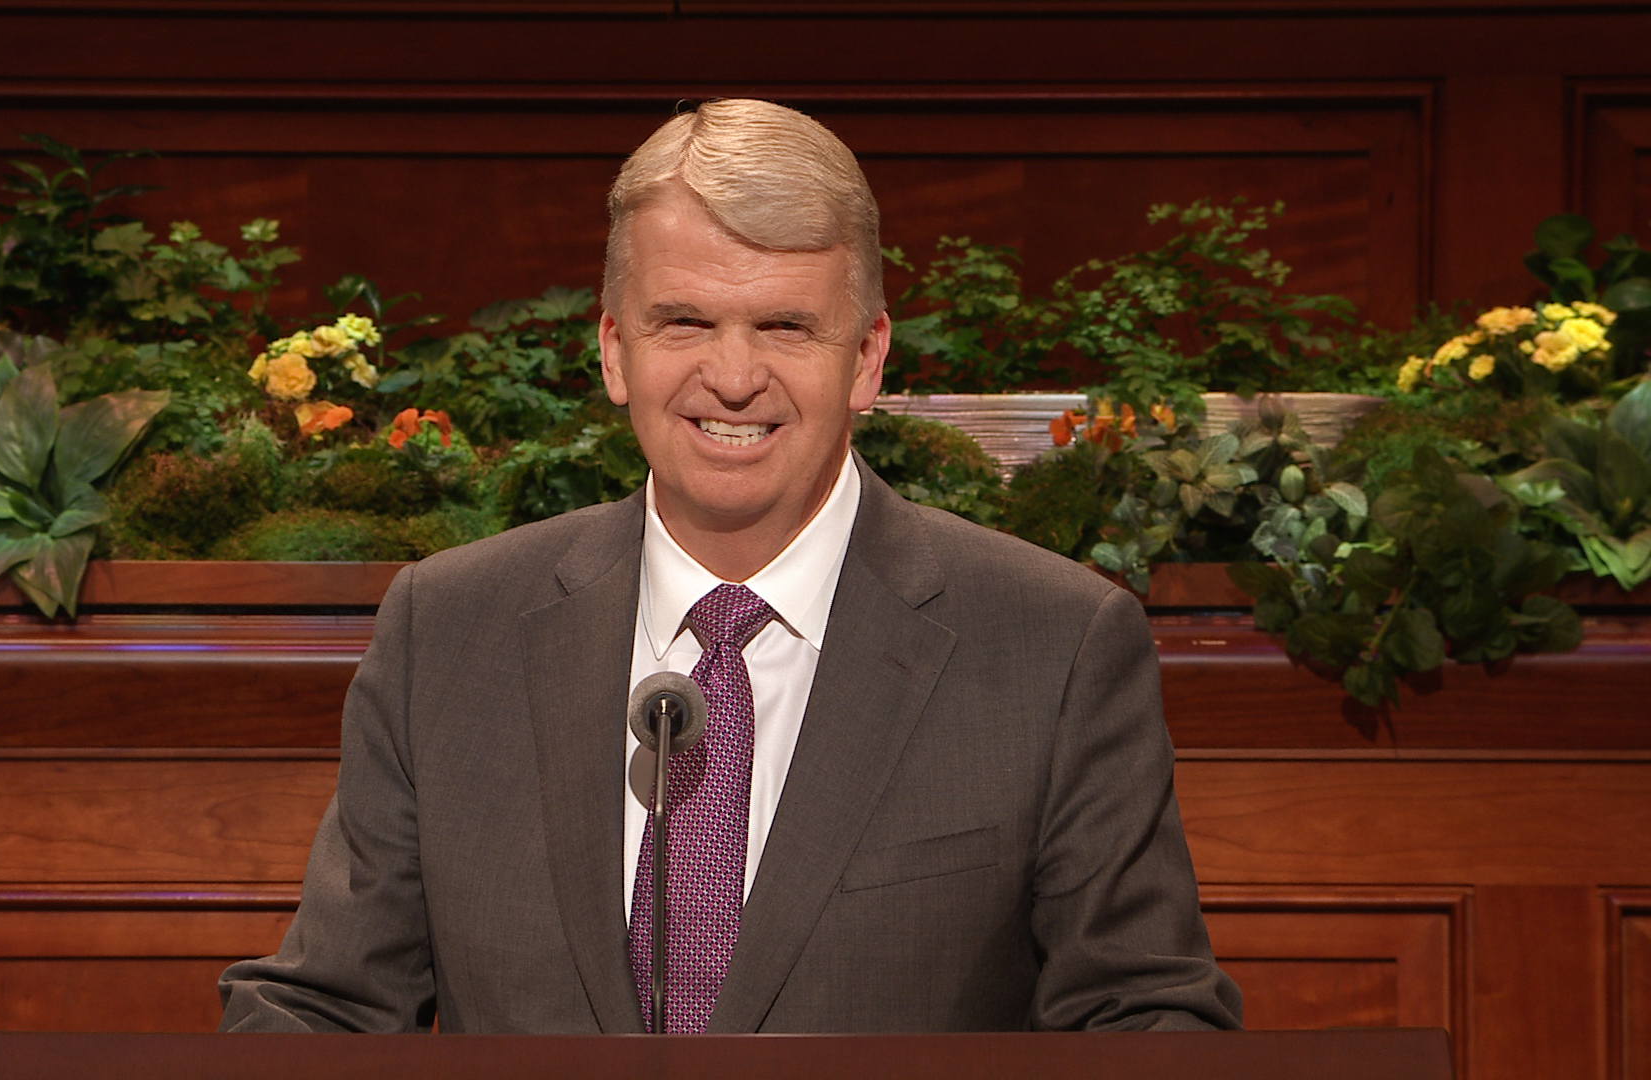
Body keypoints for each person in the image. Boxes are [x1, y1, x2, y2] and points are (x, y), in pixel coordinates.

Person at [218, 98, 1241, 1034]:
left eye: (786, 326)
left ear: (867, 357)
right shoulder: (447, 630)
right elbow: (329, 1007)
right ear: (614, 349)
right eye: (685, 322)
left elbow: (1150, 1020)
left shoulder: (1053, 646)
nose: (735, 377)